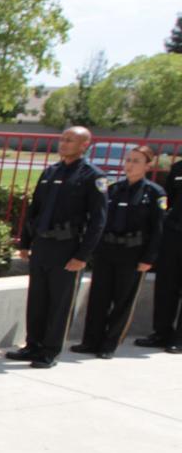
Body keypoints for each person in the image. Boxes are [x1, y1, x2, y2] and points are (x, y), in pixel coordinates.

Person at [6, 126, 107, 369]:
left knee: (60, 303)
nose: (63, 143)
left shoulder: (92, 176)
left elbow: (98, 221)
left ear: (84, 145)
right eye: (62, 139)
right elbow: (35, 209)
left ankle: (49, 350)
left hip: (67, 248)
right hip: (43, 245)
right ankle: (33, 345)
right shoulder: (51, 171)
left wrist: (82, 256)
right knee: (38, 299)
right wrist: (26, 243)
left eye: (70, 140)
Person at [73, 145, 165, 358]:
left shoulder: (154, 193)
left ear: (147, 166)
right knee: (98, 298)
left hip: (133, 253)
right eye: (128, 160)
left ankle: (109, 344)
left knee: (123, 301)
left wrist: (148, 258)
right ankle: (90, 341)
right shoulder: (113, 189)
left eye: (136, 161)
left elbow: (157, 230)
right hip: (107, 250)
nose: (130, 165)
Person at [136, 156, 182, 353]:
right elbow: (168, 200)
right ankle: (161, 333)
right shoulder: (178, 168)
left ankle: (180, 340)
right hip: (174, 234)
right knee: (165, 285)